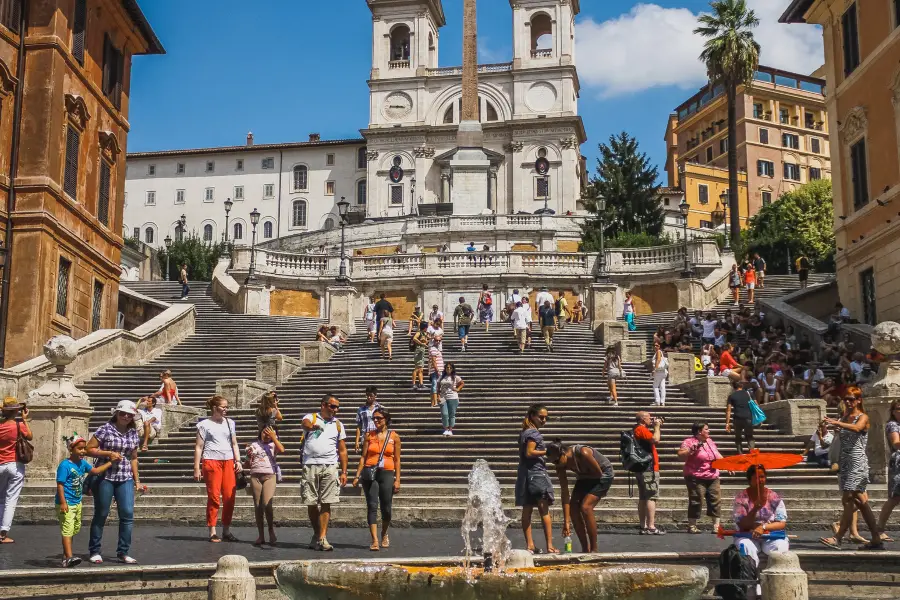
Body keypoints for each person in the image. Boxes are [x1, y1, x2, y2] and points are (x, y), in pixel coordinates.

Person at [820, 388, 883, 550]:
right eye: (846, 399)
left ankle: (838, 537)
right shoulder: (845, 417)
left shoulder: (863, 417)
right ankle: (876, 537)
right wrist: (835, 429)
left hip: (857, 462)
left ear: (859, 400)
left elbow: (857, 428)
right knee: (861, 502)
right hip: (845, 462)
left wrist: (837, 423)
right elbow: (844, 434)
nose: (848, 402)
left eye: (851, 399)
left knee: (849, 499)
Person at [86, 400, 142, 564]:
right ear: (116, 413)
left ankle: (123, 551)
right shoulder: (105, 429)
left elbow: (134, 458)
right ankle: (95, 550)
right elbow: (89, 449)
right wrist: (108, 453)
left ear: (132, 417)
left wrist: (137, 480)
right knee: (101, 513)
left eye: (129, 414)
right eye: (122, 413)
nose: (125, 416)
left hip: (125, 476)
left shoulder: (133, 433)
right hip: (105, 476)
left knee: (127, 514)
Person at [56, 434, 116, 567]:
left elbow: (95, 470)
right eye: (80, 448)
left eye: (84, 448)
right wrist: (63, 502)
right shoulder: (64, 465)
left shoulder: (82, 463)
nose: (83, 451)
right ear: (71, 449)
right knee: (67, 529)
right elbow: (60, 484)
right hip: (67, 502)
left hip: (77, 501)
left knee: (73, 529)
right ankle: (69, 557)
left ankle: (65, 556)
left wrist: (110, 462)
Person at [546, 441, 614, 553]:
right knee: (573, 509)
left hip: (603, 475)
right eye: (553, 463)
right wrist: (566, 522)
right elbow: (565, 492)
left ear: (563, 453)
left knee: (586, 507)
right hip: (584, 477)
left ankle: (594, 549)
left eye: (557, 461)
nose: (556, 464)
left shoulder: (583, 453)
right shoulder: (560, 465)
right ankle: (585, 549)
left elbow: (598, 474)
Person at [301, 394, 349, 552]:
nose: (335, 410)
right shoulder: (312, 417)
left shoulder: (338, 424)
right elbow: (305, 424)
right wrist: (313, 426)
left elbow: (342, 450)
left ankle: (322, 537)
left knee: (327, 502)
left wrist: (344, 471)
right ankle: (316, 533)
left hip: (330, 465)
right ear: (323, 405)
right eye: (332, 406)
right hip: (310, 464)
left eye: (337, 407)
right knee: (311, 502)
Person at [733, 464, 789, 594]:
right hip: (747, 535)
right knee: (745, 547)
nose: (760, 480)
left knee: (780, 547)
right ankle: (753, 587)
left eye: (763, 477)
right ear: (749, 479)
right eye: (757, 477)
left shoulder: (774, 497)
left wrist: (762, 527)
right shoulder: (741, 498)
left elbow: (781, 523)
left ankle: (776, 584)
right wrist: (755, 509)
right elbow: (742, 524)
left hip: (771, 535)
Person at [193, 395, 242, 543]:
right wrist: (196, 467)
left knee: (229, 497)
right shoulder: (204, 424)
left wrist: (238, 460)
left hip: (228, 461)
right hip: (211, 461)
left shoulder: (230, 423)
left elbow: (234, 443)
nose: (226, 409)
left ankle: (226, 529)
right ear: (215, 408)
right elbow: (199, 446)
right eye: (223, 407)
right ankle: (212, 530)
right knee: (214, 496)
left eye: (227, 407)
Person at [352, 407, 400, 551]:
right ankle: (374, 539)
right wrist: (356, 475)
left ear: (386, 419)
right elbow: (363, 457)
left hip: (386, 472)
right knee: (372, 505)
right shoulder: (369, 435)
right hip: (369, 472)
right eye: (374, 418)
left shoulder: (394, 437)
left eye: (379, 418)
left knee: (386, 508)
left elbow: (397, 459)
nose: (376, 421)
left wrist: (397, 479)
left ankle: (384, 533)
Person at [516, 404, 558, 553]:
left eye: (546, 417)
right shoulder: (534, 434)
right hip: (537, 474)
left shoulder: (524, 432)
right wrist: (548, 451)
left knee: (527, 509)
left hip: (525, 474)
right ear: (532, 416)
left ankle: (530, 545)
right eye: (541, 417)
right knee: (544, 510)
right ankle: (550, 546)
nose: (544, 420)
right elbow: (530, 452)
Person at [678, 422, 723, 534]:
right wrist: (690, 450)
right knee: (696, 500)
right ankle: (692, 526)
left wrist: (727, 465)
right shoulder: (689, 442)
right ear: (699, 431)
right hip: (695, 476)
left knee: (715, 500)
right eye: (706, 429)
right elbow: (680, 454)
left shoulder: (710, 441)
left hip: (713, 476)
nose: (709, 431)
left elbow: (717, 455)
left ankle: (716, 526)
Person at [243, 426, 284, 546]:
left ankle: (271, 529)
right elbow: (246, 464)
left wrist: (273, 437)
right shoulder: (254, 445)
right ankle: (261, 535)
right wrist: (248, 455)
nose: (266, 435)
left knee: (267, 504)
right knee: (257, 505)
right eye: (264, 433)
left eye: (269, 433)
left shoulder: (274, 445)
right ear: (260, 433)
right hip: (255, 475)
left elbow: (282, 450)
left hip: (269, 476)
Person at [0, 397, 32, 544]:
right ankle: (3, 533)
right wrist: (25, 420)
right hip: (15, 465)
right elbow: (30, 436)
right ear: (17, 411)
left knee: (1, 499)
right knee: (10, 500)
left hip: (1, 464)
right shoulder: (19, 426)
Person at [633, 412, 664, 534]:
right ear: (642, 420)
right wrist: (657, 427)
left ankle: (643, 525)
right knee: (651, 496)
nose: (651, 419)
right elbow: (655, 439)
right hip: (649, 468)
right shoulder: (641, 429)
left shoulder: (636, 429)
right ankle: (651, 526)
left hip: (641, 468)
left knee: (643, 497)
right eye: (648, 417)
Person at [875, 399, 900, 545]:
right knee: (894, 498)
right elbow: (896, 443)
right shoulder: (893, 425)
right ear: (892, 411)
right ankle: (879, 529)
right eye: (897, 409)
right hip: (898, 465)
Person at [725, 380, 756, 454]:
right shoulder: (749, 394)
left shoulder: (731, 396)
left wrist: (727, 423)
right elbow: (756, 406)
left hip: (737, 419)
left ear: (733, 387)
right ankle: (752, 452)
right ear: (741, 386)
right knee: (749, 436)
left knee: (738, 438)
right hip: (748, 418)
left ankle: (740, 454)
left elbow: (728, 410)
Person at [438, 363, 464, 436]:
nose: (448, 369)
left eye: (450, 368)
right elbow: (437, 387)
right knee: (444, 413)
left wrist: (458, 389)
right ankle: (446, 429)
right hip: (443, 397)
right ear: (445, 369)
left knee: (451, 414)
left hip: (453, 397)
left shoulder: (455, 377)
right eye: (447, 368)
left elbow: (462, 383)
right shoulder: (441, 377)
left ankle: (450, 429)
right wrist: (437, 395)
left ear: (452, 369)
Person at [354, 386, 382, 454]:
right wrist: (357, 441)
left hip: (378, 438)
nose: (369, 397)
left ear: (375, 395)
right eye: (367, 395)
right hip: (365, 439)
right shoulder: (361, 409)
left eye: (371, 395)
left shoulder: (380, 409)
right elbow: (358, 426)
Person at [411, 321, 429, 391]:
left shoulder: (424, 333)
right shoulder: (419, 332)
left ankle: (421, 383)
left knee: (421, 369)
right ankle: (413, 384)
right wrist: (421, 343)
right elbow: (414, 338)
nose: (427, 328)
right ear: (424, 327)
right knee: (417, 368)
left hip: (422, 352)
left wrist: (427, 340)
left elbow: (425, 342)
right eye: (426, 327)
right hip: (418, 351)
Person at [651, 342, 668, 406]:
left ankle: (657, 401)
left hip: (658, 371)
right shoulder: (660, 352)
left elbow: (658, 360)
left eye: (657, 345)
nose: (655, 346)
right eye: (654, 345)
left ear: (659, 346)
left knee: (655, 386)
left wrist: (655, 369)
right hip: (663, 371)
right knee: (662, 387)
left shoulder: (658, 352)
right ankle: (662, 402)